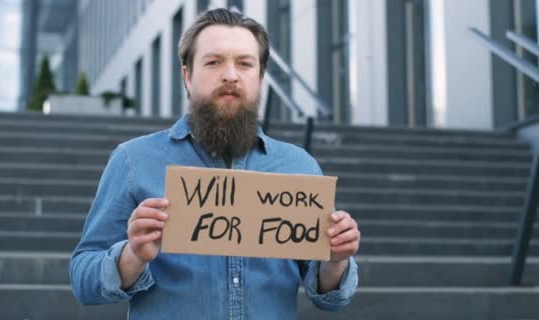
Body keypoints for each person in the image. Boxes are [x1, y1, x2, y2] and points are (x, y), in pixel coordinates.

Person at [70, 8, 360, 319]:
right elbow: (82, 279)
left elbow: (330, 296)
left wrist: (336, 259)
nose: (231, 75)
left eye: (245, 64)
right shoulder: (133, 161)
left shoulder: (299, 166)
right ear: (187, 75)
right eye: (213, 62)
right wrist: (132, 256)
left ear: (260, 78)